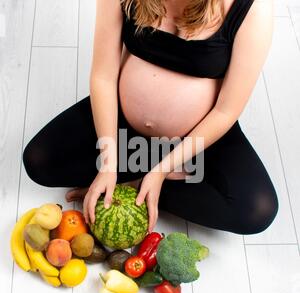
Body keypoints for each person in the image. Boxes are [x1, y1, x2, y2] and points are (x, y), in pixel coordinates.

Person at [23, 0, 278, 235]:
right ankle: (143, 172)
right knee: (39, 161)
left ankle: (142, 183)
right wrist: (108, 162)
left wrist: (160, 172)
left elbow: (226, 111)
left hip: (201, 137)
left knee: (256, 209)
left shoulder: (254, 9)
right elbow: (103, 76)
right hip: (123, 125)